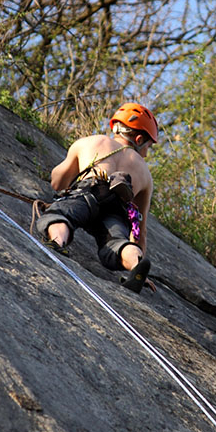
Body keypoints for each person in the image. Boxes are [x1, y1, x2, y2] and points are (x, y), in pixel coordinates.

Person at [36, 103, 158, 293]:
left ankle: (57, 243)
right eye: (148, 146)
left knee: (60, 216)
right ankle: (135, 266)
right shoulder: (145, 174)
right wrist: (140, 261)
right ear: (139, 138)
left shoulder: (90, 142)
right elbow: (140, 231)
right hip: (117, 211)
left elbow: (57, 183)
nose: (147, 153)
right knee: (116, 242)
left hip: (87, 194)